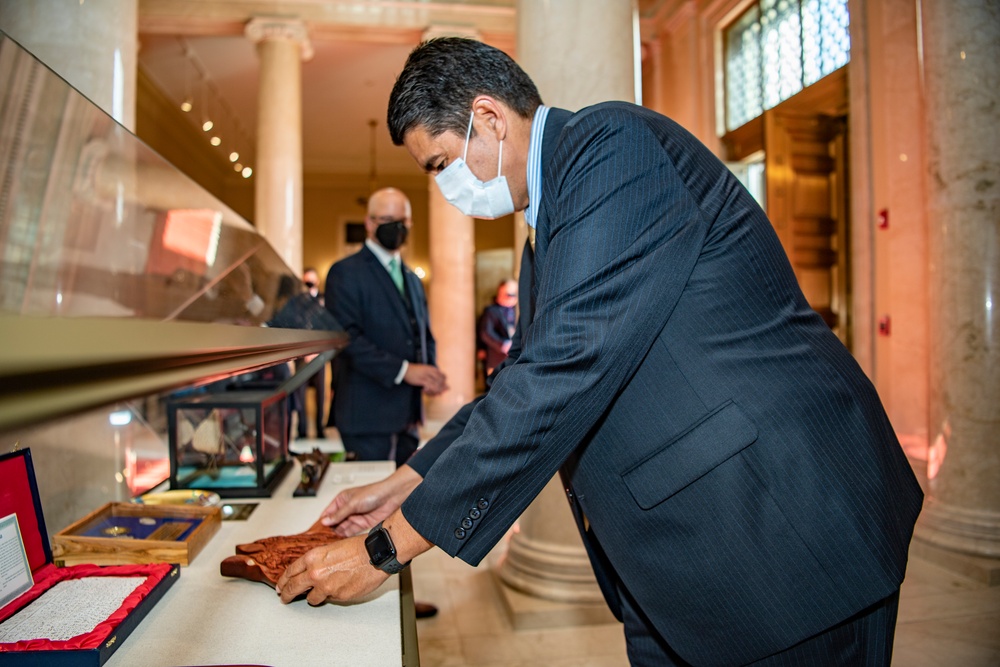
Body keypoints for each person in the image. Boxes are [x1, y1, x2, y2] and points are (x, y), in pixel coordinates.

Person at [277, 38, 923, 666]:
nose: (445, 188)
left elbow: (565, 370)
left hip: (778, 531)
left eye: (442, 163)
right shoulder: (548, 227)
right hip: (682, 555)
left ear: (489, 117)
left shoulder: (609, 146)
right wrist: (405, 483)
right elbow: (521, 377)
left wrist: (385, 549)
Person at [322, 187, 447, 468]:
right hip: (366, 414)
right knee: (371, 505)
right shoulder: (344, 273)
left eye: (402, 221)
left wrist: (430, 371)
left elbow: (422, 332)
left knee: (401, 503)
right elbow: (347, 339)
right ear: (369, 223)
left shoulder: (412, 278)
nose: (396, 227)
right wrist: (406, 370)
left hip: (409, 416)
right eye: (387, 219)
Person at [291, 267, 328, 439]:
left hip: (319, 355)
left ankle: (320, 428)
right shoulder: (297, 302)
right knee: (300, 393)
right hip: (301, 356)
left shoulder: (323, 300)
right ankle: (302, 429)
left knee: (320, 394)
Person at [476, 278, 517, 377]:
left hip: (514, 358)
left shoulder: (517, 310)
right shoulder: (492, 311)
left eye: (510, 294)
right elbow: (485, 333)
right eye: (502, 293)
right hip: (497, 357)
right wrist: (503, 345)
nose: (505, 297)